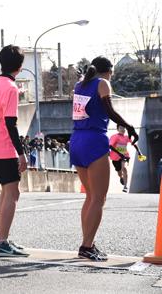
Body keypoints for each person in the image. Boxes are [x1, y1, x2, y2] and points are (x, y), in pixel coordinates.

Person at [69, 56, 138, 261]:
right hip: (94, 140)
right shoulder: (103, 83)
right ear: (109, 71)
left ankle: (88, 242)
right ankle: (86, 246)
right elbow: (109, 111)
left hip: (77, 139)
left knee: (90, 197)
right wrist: (130, 126)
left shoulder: (79, 84)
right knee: (99, 198)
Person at [0, 45, 29, 257]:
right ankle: (2, 241)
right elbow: (11, 122)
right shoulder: (11, 87)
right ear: (20, 67)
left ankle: (1, 237)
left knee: (6, 191)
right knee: (12, 193)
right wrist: (21, 153)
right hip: (4, 145)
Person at [109, 125, 132, 192]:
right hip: (115, 157)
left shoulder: (126, 137)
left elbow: (133, 143)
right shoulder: (114, 137)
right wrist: (119, 153)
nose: (123, 129)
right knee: (119, 171)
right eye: (121, 128)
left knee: (124, 169)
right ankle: (121, 177)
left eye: (124, 128)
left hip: (124, 156)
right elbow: (110, 146)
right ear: (117, 129)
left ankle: (125, 186)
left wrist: (139, 152)